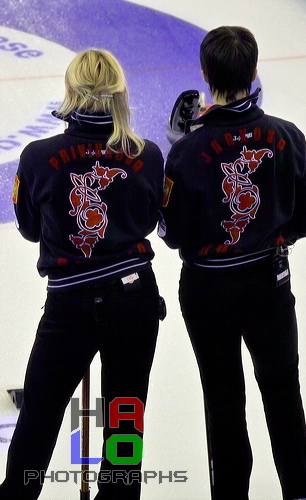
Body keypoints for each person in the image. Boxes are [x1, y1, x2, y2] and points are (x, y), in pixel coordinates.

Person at [159, 26, 306, 500]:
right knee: (282, 388)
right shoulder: (286, 135)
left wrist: (178, 148)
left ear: (204, 74)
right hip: (267, 284)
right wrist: (273, 237)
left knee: (223, 400)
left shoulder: (187, 152)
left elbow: (171, 234)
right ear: (255, 72)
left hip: (207, 290)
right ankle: (303, 489)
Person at [0, 48, 165, 500]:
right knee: (126, 418)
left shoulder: (37, 156)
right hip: (133, 300)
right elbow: (150, 221)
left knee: (39, 417)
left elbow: (31, 228)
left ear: (72, 92)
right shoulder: (147, 155)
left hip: (70, 304)